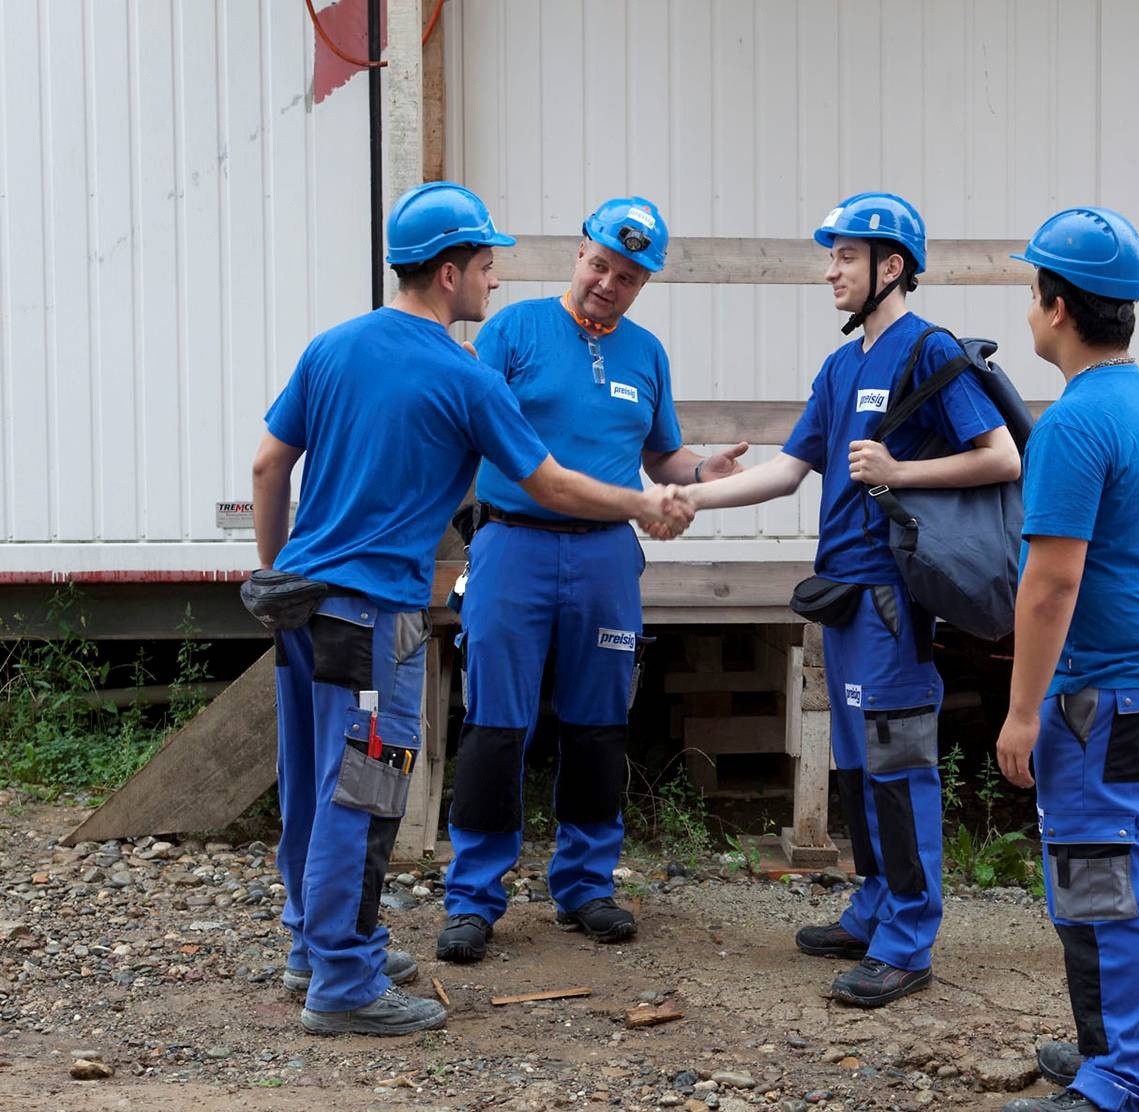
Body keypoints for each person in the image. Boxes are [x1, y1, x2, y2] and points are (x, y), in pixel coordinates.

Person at [248, 182, 693, 1036]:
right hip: (375, 620)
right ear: (449, 272)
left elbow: (270, 465)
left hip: (300, 610)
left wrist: (276, 572)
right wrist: (640, 506)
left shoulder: (333, 346)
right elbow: (551, 483)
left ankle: (315, 939)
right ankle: (343, 981)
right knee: (367, 790)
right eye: (486, 268)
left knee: (309, 780)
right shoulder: (464, 374)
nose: (493, 284)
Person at [684, 192, 1020, 1006]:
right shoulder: (839, 367)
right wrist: (691, 501)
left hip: (891, 599)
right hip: (840, 596)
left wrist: (901, 472)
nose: (829, 270)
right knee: (857, 761)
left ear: (890, 266)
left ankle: (908, 940)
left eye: (844, 256)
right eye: (830, 255)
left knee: (899, 765)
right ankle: (872, 906)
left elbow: (1002, 456)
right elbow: (790, 469)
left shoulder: (926, 352)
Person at [436, 196, 748, 961]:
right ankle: (474, 897)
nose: (610, 283)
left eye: (630, 276)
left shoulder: (645, 353)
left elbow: (660, 459)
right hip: (513, 544)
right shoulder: (512, 330)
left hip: (607, 555)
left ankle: (584, 885)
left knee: (598, 723)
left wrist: (702, 472)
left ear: (644, 283)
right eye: (601, 264)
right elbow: (470, 425)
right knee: (496, 723)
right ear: (579, 254)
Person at [995, 207, 1139, 1112]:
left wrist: (1022, 712)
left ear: (1060, 307)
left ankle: (1119, 1081)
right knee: (1137, 868)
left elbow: (1048, 586)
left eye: (1033, 291)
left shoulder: (1075, 424)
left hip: (1100, 694)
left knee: (1100, 875)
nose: (1029, 307)